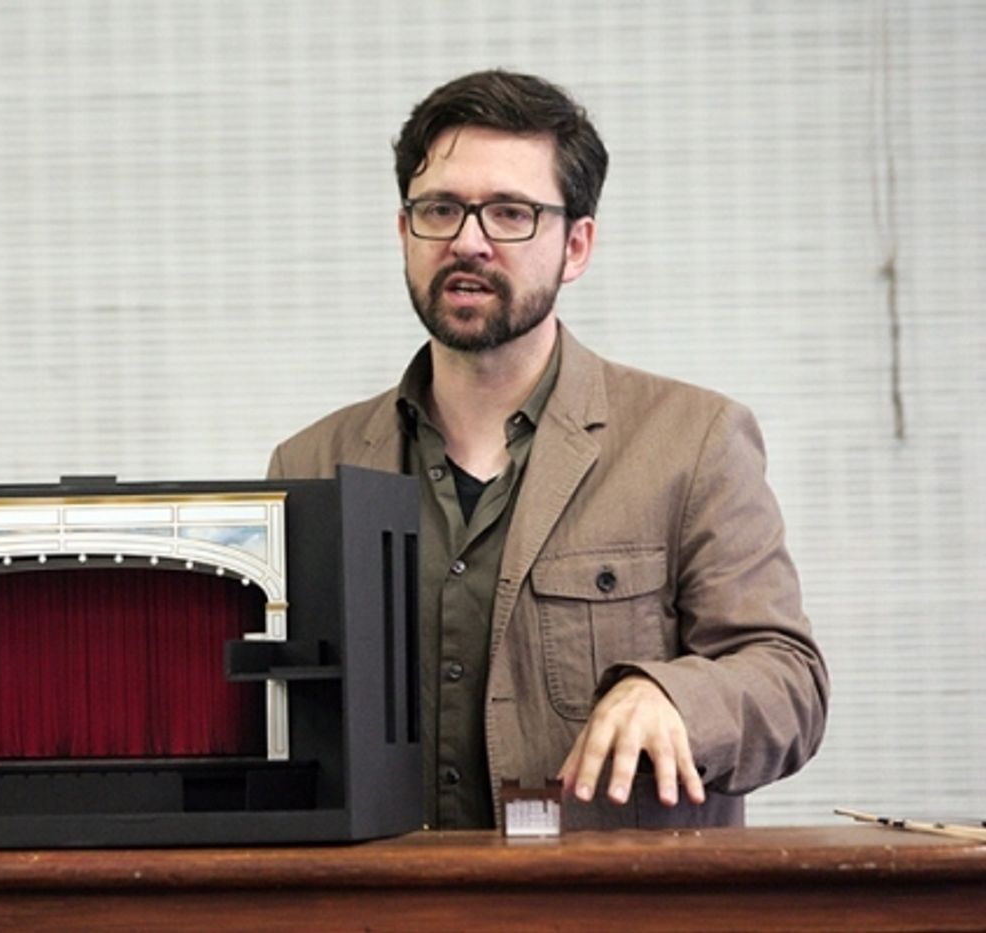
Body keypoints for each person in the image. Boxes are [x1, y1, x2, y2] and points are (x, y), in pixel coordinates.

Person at [267, 70, 829, 830]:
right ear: (405, 233)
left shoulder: (693, 440)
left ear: (577, 244)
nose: (469, 241)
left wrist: (675, 696)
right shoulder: (309, 464)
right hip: (383, 907)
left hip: (614, 907)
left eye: (511, 213)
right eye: (441, 209)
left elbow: (789, 681)